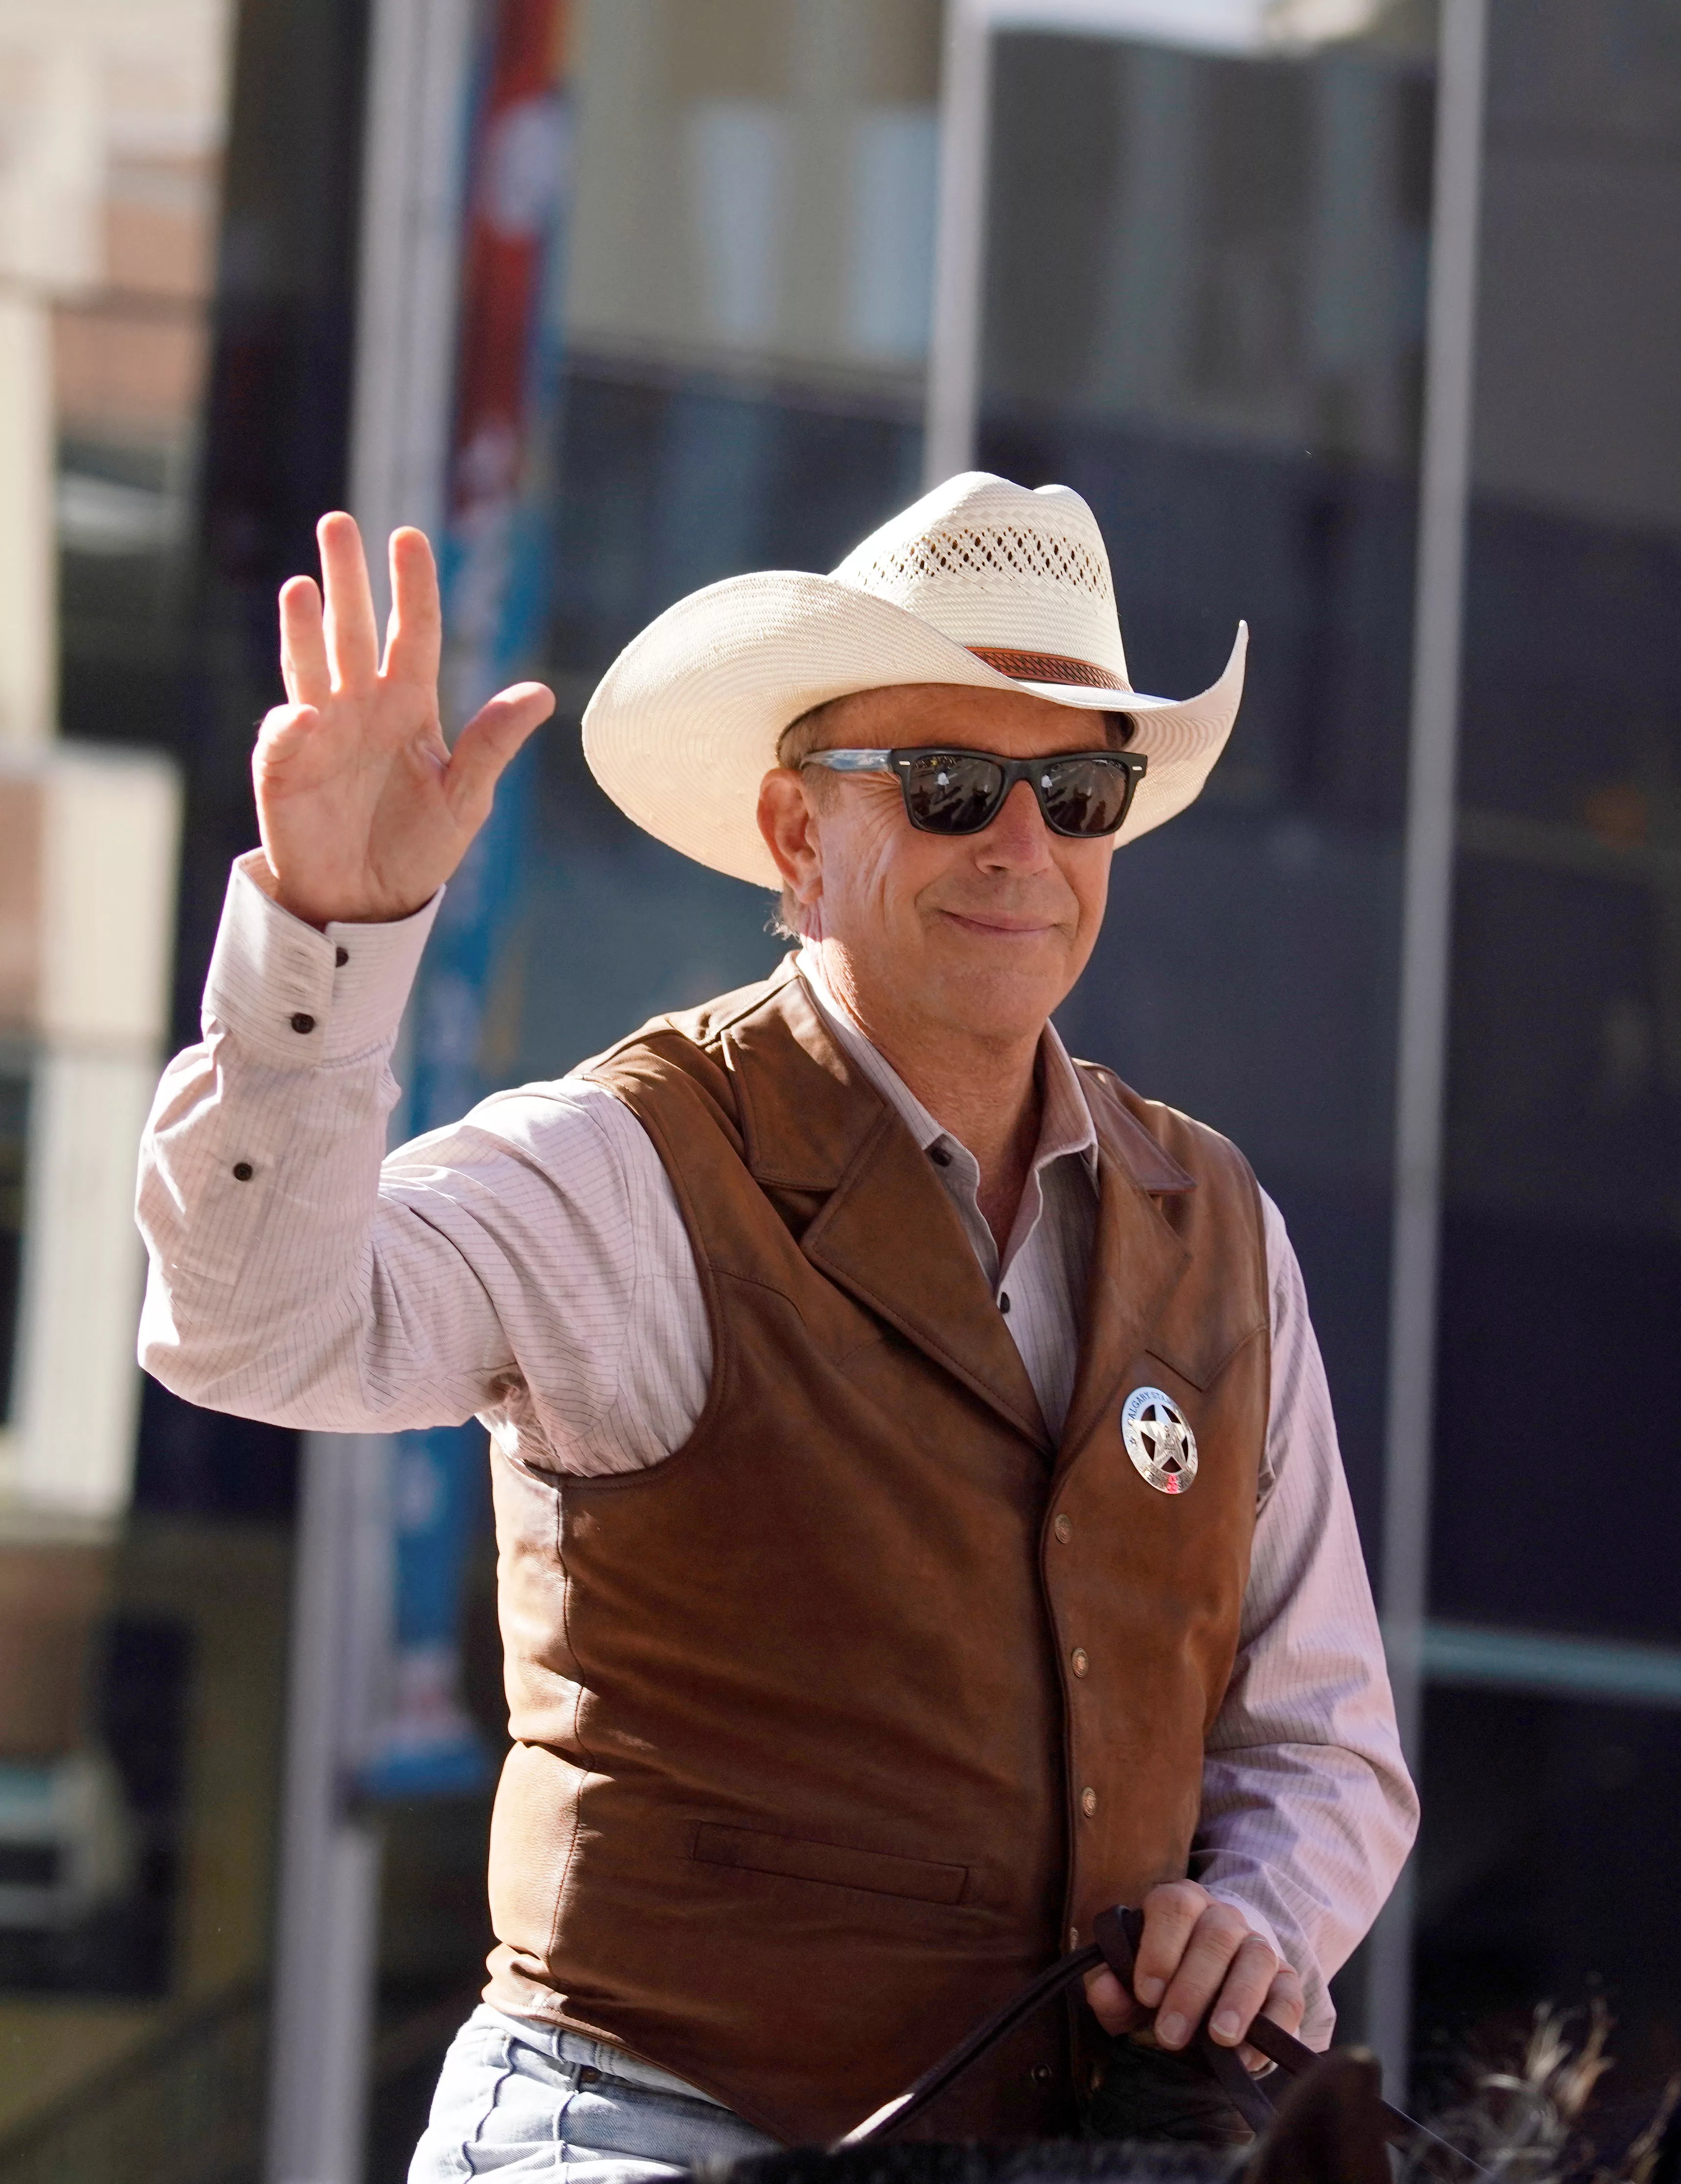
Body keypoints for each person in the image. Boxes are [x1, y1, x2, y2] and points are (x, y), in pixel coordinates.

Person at [137, 472, 1417, 2179]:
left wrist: (1258, 1917)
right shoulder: (628, 1162)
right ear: (801, 838)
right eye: (956, 788)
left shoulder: (1220, 1227)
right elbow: (250, 1333)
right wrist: (329, 942)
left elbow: (1323, 1742)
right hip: (638, 2132)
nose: (1026, 847)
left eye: (1080, 789)